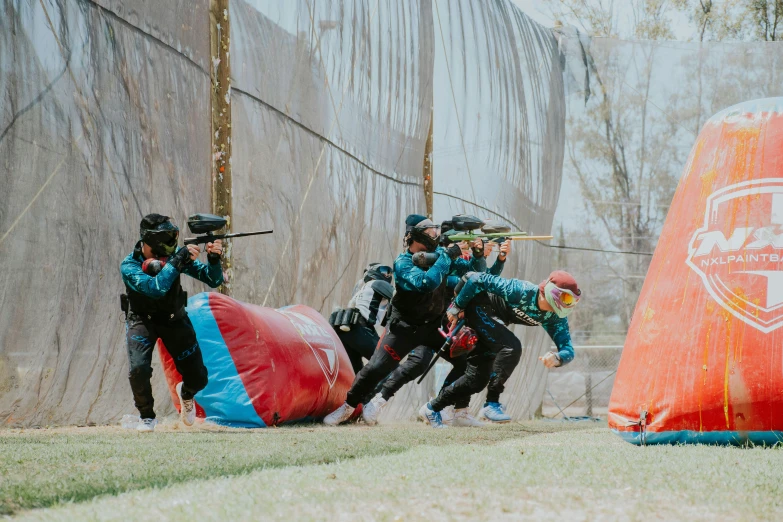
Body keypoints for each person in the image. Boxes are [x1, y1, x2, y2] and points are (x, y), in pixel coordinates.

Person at [323, 214, 485, 426]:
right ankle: (349, 406)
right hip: (404, 329)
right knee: (375, 368)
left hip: (434, 327)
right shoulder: (403, 263)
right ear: (416, 236)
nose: (435, 235)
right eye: (429, 232)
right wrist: (447, 256)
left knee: (467, 361)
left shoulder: (438, 256)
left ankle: (442, 408)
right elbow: (426, 282)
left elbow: (474, 272)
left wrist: (479, 253)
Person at [378, 233, 513, 428]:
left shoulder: (462, 261)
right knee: (417, 363)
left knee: (467, 363)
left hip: (450, 323)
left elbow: (484, 279)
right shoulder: (441, 260)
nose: (482, 248)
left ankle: (453, 409)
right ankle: (379, 400)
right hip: (431, 323)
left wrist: (497, 259)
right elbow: (456, 282)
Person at [418, 270, 580, 428]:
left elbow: (568, 349)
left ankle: (435, 409)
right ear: (551, 291)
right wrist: (457, 307)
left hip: (492, 321)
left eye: (571, 301)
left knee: (476, 379)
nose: (566, 306)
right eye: (566, 298)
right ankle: (492, 403)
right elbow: (475, 278)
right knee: (511, 347)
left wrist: (558, 358)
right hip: (478, 306)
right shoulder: (521, 290)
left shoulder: (555, 318)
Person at [120, 214, 224, 432]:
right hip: (141, 321)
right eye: (166, 237)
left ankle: (186, 393)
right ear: (150, 239)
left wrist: (213, 259)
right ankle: (147, 417)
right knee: (138, 370)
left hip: (174, 320)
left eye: (172, 235)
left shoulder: (176, 256)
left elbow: (213, 280)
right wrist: (178, 261)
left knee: (199, 379)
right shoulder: (130, 265)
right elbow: (155, 288)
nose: (172, 242)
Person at [333, 263, 394, 374]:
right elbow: (397, 300)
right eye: (385, 271)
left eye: (389, 272)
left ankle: (358, 391)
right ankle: (374, 392)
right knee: (390, 365)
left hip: (345, 329)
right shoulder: (378, 283)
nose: (388, 275)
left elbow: (384, 318)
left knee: (355, 373)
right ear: (373, 272)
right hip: (360, 328)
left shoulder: (363, 289)